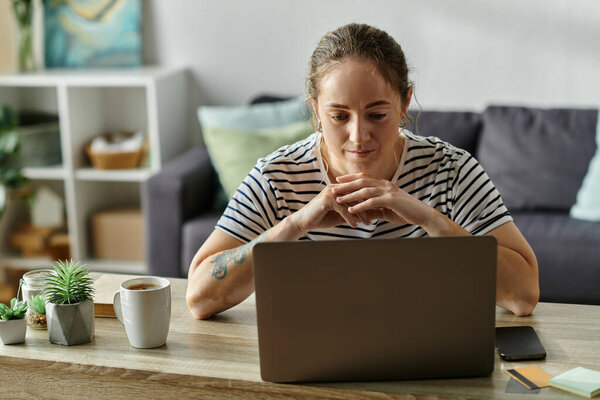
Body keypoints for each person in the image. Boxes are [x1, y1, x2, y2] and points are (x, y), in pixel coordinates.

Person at [186, 23, 539, 319]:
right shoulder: (277, 177)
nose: (359, 137)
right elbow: (200, 297)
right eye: (339, 116)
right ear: (315, 109)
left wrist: (429, 219)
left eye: (377, 114)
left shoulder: (452, 171)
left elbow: (523, 295)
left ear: (403, 103)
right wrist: (296, 224)